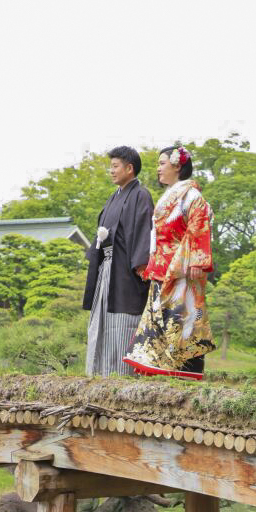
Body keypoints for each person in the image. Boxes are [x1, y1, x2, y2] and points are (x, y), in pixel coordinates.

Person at [123, 146, 215, 379]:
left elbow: (199, 225)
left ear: (177, 166)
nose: (158, 169)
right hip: (163, 265)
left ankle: (184, 371)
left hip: (182, 268)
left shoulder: (192, 196)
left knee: (182, 318)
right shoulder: (172, 195)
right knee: (159, 317)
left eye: (162, 163)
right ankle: (158, 369)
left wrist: (196, 259)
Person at [83, 146, 154, 376]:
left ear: (129, 168)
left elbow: (144, 232)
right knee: (102, 321)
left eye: (115, 166)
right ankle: (99, 374)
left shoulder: (141, 195)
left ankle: (121, 376)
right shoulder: (113, 197)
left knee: (123, 323)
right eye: (111, 166)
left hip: (125, 273)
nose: (111, 171)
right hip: (107, 268)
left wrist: (141, 267)